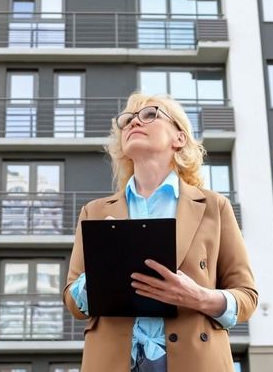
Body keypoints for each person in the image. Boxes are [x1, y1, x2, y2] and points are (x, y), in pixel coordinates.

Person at [62, 92, 258, 372]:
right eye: (127, 120)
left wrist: (200, 297)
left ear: (179, 138)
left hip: (196, 360)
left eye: (150, 114)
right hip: (113, 362)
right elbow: (73, 303)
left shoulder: (214, 207)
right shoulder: (94, 212)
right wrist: (102, 268)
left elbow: (247, 296)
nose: (133, 123)